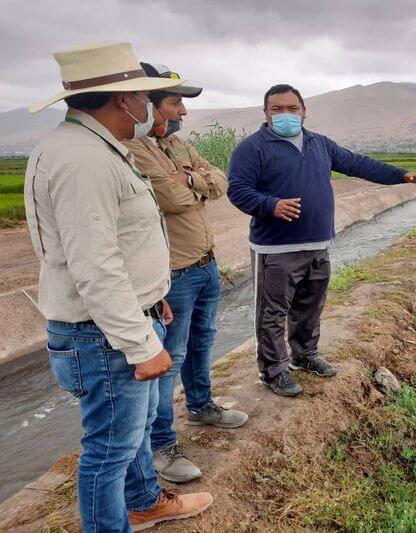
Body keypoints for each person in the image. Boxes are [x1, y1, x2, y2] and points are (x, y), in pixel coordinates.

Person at [25, 42, 211, 532]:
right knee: (109, 449)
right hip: (103, 333)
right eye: (143, 96)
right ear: (120, 100)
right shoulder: (83, 160)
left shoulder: (94, 148)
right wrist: (137, 341)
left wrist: (153, 298)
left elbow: (122, 244)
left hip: (124, 315)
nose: (150, 106)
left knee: (129, 437)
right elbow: (95, 264)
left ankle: (145, 500)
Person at [227, 84, 416, 397]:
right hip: (276, 250)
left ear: (304, 111)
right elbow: (238, 190)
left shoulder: (319, 143)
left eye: (292, 108)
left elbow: (358, 164)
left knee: (309, 307)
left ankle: (304, 356)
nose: (285, 114)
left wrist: (401, 175)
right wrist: (271, 205)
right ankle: (273, 371)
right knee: (272, 314)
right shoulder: (251, 149)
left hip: (318, 244)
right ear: (266, 113)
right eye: (277, 109)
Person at [121, 62, 248, 484]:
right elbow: (174, 199)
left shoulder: (177, 146)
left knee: (202, 341)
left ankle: (201, 405)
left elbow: (221, 181)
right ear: (148, 106)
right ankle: (161, 445)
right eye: (175, 103)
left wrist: (190, 176)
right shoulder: (134, 150)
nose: (183, 113)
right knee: (168, 358)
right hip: (172, 274)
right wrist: (194, 184)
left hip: (206, 264)